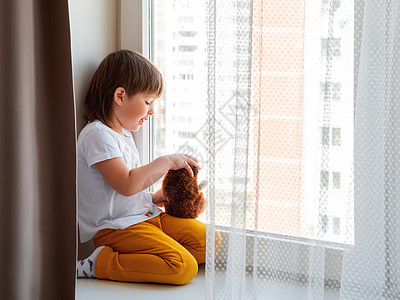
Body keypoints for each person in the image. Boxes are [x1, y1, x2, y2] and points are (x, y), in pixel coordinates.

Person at [76, 50, 216, 285]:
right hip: (117, 229)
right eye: (148, 102)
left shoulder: (123, 134)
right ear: (120, 96)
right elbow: (127, 184)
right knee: (183, 267)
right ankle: (100, 263)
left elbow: (121, 194)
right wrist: (167, 161)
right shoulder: (97, 134)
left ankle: (152, 254)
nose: (152, 111)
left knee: (210, 242)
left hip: (144, 217)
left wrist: (154, 197)